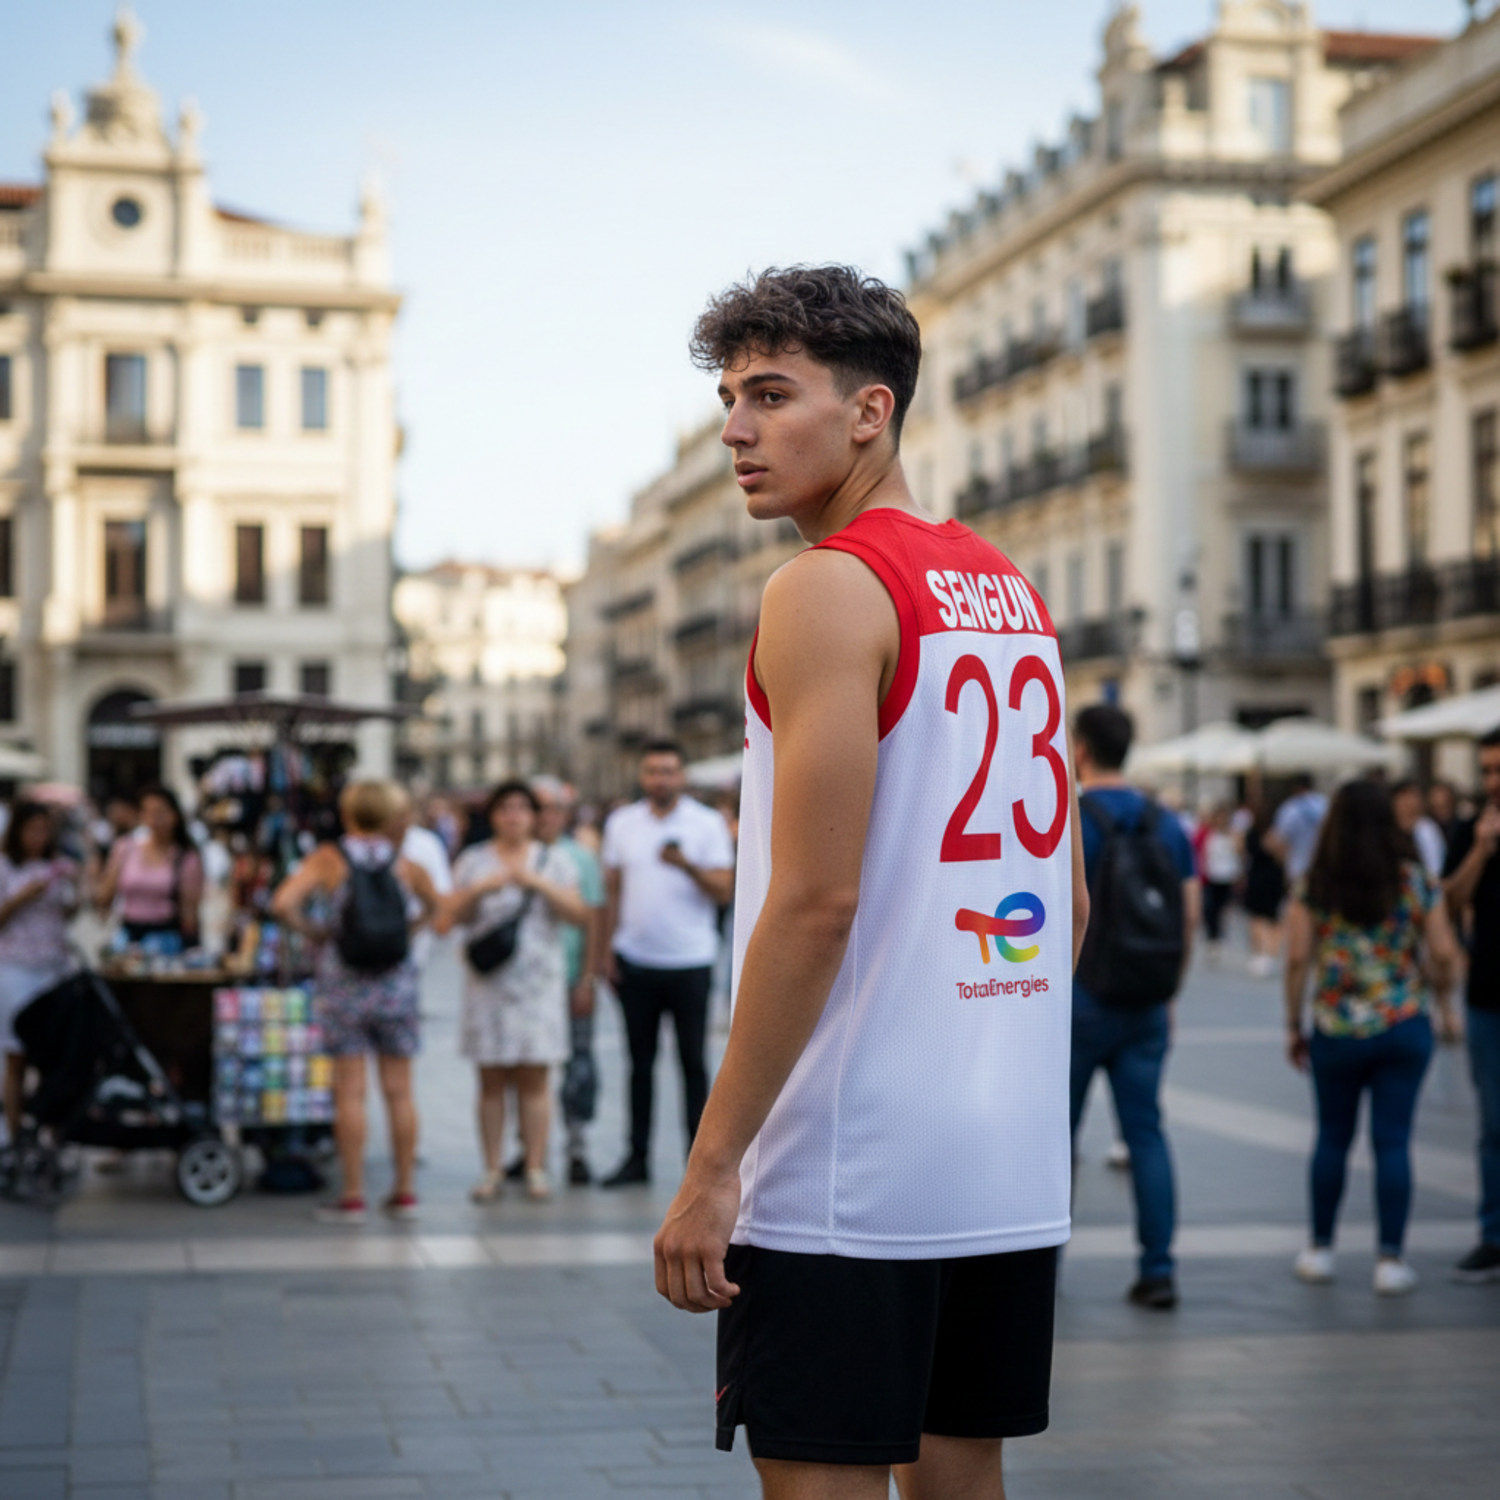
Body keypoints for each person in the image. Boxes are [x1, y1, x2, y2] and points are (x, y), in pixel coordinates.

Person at [652, 265, 1087, 1499]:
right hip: (999, 1151)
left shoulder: (827, 586)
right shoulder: (1009, 588)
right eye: (730, 398)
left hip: (849, 1160)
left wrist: (714, 1163)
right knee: (963, 1477)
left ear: (870, 411)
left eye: (771, 394)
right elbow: (1068, 898)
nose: (736, 428)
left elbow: (813, 901)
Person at [1284, 781, 1460, 1295]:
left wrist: (1293, 1023)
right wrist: (1437, 985)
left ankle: (1320, 1249)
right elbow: (1445, 953)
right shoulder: (1413, 881)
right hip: (1403, 1024)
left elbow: (1296, 959)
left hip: (1336, 1029)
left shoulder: (1314, 885)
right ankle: (1391, 1259)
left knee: (1333, 1138)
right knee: (1393, 1141)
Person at [1069, 703, 1198, 1310]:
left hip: (1078, 1001)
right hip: (1146, 1000)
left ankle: (1041, 1267)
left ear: (1082, 750)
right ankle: (1159, 1269)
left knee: (1055, 1139)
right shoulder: (1166, 822)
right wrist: (1169, 988)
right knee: (1146, 1134)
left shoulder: (1068, 818)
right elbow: (1189, 914)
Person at [271, 779, 440, 1223]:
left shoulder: (329, 859)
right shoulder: (404, 864)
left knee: (350, 1090)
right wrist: (409, 930)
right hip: (396, 987)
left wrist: (317, 933)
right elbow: (436, 907)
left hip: (344, 985)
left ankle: (352, 1195)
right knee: (400, 1090)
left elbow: (283, 903)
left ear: (347, 812)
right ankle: (404, 1192)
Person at [600, 741, 735, 1187]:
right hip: (636, 959)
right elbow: (612, 889)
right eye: (653, 771)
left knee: (692, 1064)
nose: (661, 779)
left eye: (669, 771)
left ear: (682, 777)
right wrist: (606, 951)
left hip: (690, 960)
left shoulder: (706, 823)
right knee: (639, 1064)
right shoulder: (622, 823)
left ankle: (696, 1164)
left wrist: (685, 865)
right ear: (642, 776)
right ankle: (636, 1157)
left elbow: (723, 888)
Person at [446, 780, 588, 1203]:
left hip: (538, 982)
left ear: (533, 816)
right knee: (490, 1078)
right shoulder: (473, 861)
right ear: (492, 815)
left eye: (521, 808)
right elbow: (450, 915)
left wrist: (536, 882)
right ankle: (491, 1167)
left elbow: (580, 913)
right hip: (488, 985)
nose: (513, 816)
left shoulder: (554, 859)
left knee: (535, 1076)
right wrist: (480, 890)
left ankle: (535, 1166)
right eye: (504, 808)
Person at [501, 776, 605, 1187]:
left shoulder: (580, 858)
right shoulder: (515, 855)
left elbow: (594, 917)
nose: (546, 816)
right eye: (538, 807)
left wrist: (589, 978)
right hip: (525, 981)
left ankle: (576, 1146)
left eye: (554, 808)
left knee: (578, 1063)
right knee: (524, 1065)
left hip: (568, 974)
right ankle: (528, 1147)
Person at [1444, 727, 1500, 1282]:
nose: (1492, 782)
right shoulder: (1471, 829)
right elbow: (1451, 901)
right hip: (1487, 993)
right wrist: (1482, 850)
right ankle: (1493, 1234)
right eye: (1486, 771)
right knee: (1493, 1122)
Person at [0, 803, 79, 1141]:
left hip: (53, 966)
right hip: (16, 968)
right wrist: (23, 896)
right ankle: (15, 1129)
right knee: (17, 1053)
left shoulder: (55, 867)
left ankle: (51, 1127)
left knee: (53, 1056)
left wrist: (73, 892)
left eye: (44, 830)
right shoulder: (4, 868)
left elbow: (70, 914)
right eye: (32, 830)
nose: (39, 837)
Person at [95, 785, 203, 951]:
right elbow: (105, 894)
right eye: (148, 813)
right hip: (129, 937)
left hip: (167, 938)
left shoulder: (186, 857)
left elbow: (189, 912)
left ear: (174, 815)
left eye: (160, 813)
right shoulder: (125, 847)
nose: (154, 820)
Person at [1242, 802, 1287, 978]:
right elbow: (1282, 856)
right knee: (1272, 918)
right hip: (1273, 878)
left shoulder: (1252, 834)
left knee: (1258, 918)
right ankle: (1268, 954)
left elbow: (1243, 852)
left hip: (1257, 878)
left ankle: (1260, 954)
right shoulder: (1276, 835)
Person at [1266, 773, 1328, 888]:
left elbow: (1276, 842)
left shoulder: (1290, 808)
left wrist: (1284, 863)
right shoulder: (1325, 804)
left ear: (1295, 787)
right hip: (1323, 870)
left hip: (1298, 870)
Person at [1199, 803, 1242, 961]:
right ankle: (1212, 937)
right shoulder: (1207, 834)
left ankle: (1218, 937)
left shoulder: (1233, 834)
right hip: (1210, 876)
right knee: (1210, 908)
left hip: (1227, 877)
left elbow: (1240, 854)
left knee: (1222, 910)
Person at [1390, 778, 1445, 879]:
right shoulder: (1388, 831)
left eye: (1414, 797)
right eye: (1404, 798)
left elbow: (1435, 868)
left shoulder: (1427, 829)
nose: (1410, 803)